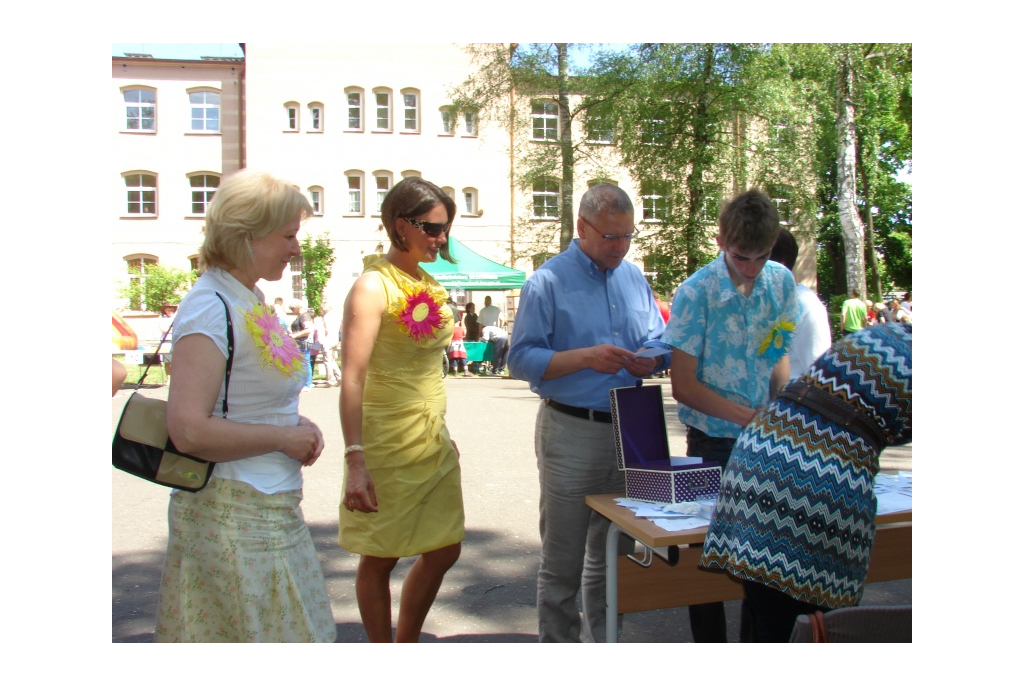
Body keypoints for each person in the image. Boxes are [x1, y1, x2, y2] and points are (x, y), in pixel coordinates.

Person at [155, 168, 335, 642]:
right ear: (247, 235)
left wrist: (290, 421)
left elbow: (247, 398)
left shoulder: (246, 298)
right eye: (289, 235)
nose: (297, 247)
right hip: (232, 512)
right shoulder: (210, 306)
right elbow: (188, 431)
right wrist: (282, 436)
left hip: (267, 507)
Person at [507, 183, 668, 642]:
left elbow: (660, 337)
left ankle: (607, 649)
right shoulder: (547, 281)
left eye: (627, 237)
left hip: (630, 427)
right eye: (610, 237)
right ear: (581, 227)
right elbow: (520, 359)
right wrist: (584, 357)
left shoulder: (634, 277)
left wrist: (653, 358)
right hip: (571, 429)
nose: (619, 248)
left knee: (616, 557)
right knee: (563, 563)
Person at [700, 322, 912, 642]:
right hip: (814, 478)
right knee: (812, 626)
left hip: (763, 449)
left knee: (770, 612)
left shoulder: (892, 336)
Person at [663, 188, 798, 642]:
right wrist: (747, 418)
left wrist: (783, 409)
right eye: (742, 257)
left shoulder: (780, 281)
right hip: (711, 444)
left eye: (761, 257)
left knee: (762, 567)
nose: (752, 268)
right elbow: (683, 385)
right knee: (707, 569)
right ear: (720, 240)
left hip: (764, 444)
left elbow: (776, 352)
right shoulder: (695, 293)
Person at [338, 176, 464, 643]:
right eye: (431, 228)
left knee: (445, 547)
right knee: (382, 553)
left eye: (445, 228)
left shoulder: (426, 282)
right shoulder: (373, 286)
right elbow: (352, 377)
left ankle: (405, 642)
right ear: (400, 225)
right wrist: (355, 457)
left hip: (429, 436)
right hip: (385, 439)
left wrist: (440, 429)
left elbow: (428, 367)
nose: (441, 238)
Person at [769, 228, 831, 379]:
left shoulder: (807, 306)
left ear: (779, 265)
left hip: (785, 399)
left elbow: (820, 373)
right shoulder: (756, 303)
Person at [289, 299, 314, 391]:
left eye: (293, 308)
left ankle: (307, 384)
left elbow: (308, 330)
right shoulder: (301, 316)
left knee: (305, 363)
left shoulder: (304, 316)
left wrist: (295, 335)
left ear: (298, 307)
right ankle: (303, 383)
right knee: (302, 363)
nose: (291, 310)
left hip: (304, 343)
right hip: (300, 343)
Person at [312, 306, 340, 387]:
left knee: (327, 361)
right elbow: (341, 328)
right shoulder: (337, 315)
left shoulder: (327, 317)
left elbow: (327, 329)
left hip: (328, 340)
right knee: (331, 360)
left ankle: (330, 381)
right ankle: (339, 377)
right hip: (335, 339)